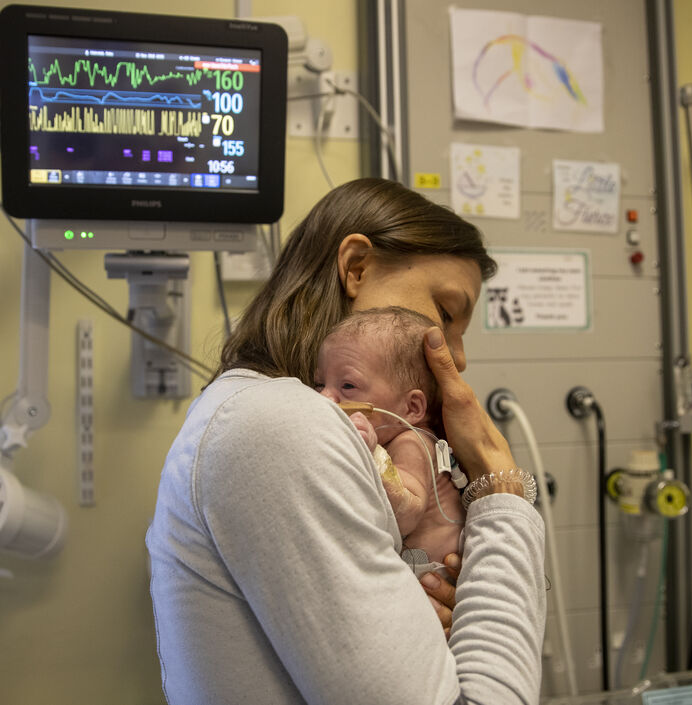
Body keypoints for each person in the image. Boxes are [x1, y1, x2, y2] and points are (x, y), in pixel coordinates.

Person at [146, 177, 546, 705]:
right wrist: (502, 489)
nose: (460, 357)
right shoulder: (278, 424)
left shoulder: (273, 417)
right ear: (356, 267)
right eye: (446, 314)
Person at [314, 306, 465, 572]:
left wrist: (369, 454)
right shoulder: (392, 438)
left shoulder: (412, 442)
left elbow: (406, 514)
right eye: (319, 384)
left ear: (412, 408)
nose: (325, 398)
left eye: (347, 386)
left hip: (436, 574)